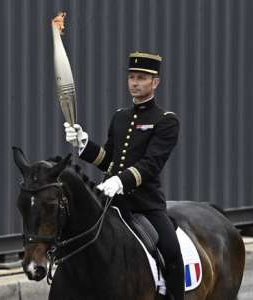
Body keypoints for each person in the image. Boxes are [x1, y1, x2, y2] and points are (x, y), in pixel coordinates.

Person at [64, 52, 184, 300]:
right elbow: (109, 159)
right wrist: (84, 144)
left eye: (141, 78)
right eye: (131, 77)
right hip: (113, 204)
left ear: (155, 82)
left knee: (171, 251)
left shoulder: (166, 121)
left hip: (146, 205)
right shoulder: (120, 116)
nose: (135, 83)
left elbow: (151, 164)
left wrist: (121, 180)